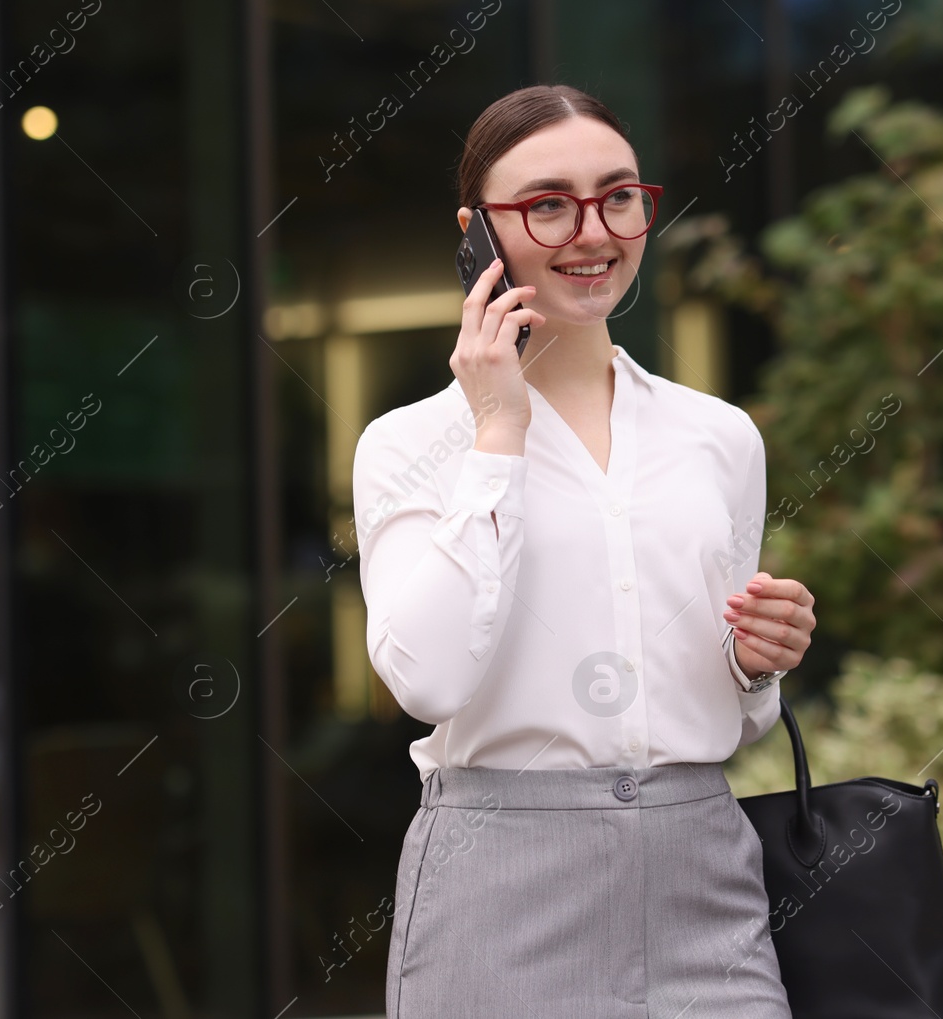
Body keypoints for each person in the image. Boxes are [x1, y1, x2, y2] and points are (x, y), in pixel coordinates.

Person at [351, 83, 818, 1017]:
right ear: (475, 233)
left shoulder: (718, 437)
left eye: (617, 196)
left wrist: (756, 662)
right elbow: (428, 683)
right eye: (547, 204)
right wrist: (496, 433)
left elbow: (738, 715)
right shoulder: (409, 446)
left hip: (702, 882)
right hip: (500, 891)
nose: (592, 230)